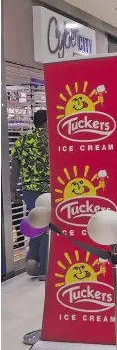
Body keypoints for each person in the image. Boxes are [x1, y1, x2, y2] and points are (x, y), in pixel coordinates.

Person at [11, 110, 50, 279]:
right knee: (48, 227)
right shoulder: (52, 139)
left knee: (36, 224)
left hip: (29, 190)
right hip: (50, 189)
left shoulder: (22, 140)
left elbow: (15, 167)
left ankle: (33, 258)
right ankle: (43, 269)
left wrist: (13, 190)